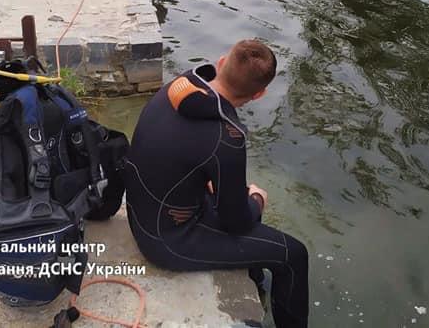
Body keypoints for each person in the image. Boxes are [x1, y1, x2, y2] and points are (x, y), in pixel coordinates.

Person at [123, 40, 310, 328]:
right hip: (167, 242)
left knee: (240, 202)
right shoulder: (227, 137)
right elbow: (237, 222)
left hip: (143, 215)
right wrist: (257, 199)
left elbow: (178, 151)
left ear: (221, 62)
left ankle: (257, 282)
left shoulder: (179, 87)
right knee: (293, 255)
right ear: (259, 94)